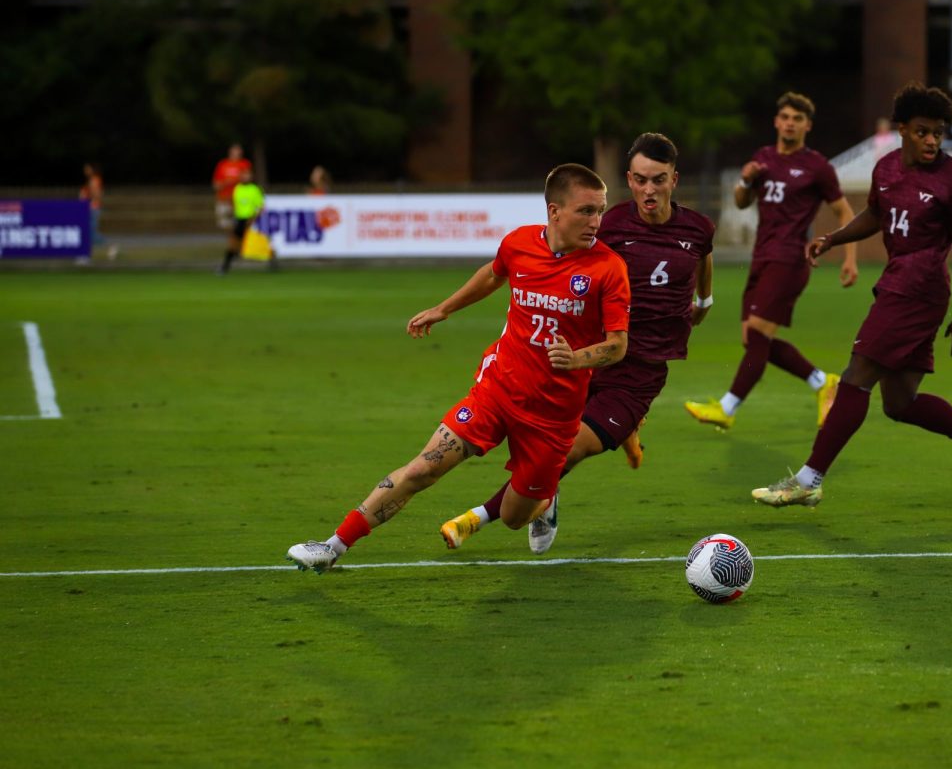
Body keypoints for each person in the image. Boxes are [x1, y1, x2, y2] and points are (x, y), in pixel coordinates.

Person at [286, 164, 632, 573]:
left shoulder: (608, 269)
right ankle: (332, 546)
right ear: (554, 211)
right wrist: (443, 308)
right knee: (424, 467)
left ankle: (546, 498)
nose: (596, 222)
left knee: (514, 516)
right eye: (586, 211)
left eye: (601, 211)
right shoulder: (519, 243)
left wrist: (575, 359)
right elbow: (493, 274)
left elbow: (618, 345)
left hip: (553, 416)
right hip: (498, 389)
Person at [750, 82, 952, 510]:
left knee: (857, 375)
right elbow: (876, 215)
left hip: (920, 291)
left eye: (938, 132)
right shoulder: (888, 168)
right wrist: (834, 239)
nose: (932, 140)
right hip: (897, 283)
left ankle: (808, 479)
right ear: (902, 129)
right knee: (899, 403)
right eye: (922, 131)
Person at [441, 133, 716, 555]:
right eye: (640, 180)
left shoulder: (698, 228)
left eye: (658, 180)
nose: (648, 189)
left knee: (567, 451)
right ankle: (549, 491)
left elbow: (703, 258)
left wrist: (704, 299)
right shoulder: (610, 224)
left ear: (674, 180)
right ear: (629, 178)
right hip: (587, 357)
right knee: (552, 448)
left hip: (641, 371)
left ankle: (480, 516)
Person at [684, 91, 857, 433]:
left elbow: (844, 210)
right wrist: (746, 179)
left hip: (790, 258)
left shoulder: (817, 166)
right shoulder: (763, 157)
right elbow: (742, 201)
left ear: (807, 125)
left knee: (758, 335)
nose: (790, 123)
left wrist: (849, 257)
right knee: (753, 339)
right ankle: (824, 382)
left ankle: (728, 407)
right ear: (777, 122)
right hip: (761, 256)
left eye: (798, 119)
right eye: (786, 117)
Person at [218, 168, 265, 274]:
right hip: (239, 219)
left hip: (251, 220)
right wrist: (232, 213)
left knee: (260, 242)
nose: (245, 177)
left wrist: (253, 218)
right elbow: (234, 202)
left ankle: (272, 264)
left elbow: (261, 206)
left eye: (247, 175)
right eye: (243, 175)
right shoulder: (237, 188)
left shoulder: (255, 189)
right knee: (233, 243)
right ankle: (225, 267)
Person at [79, 162, 118, 262]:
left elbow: (97, 194)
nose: (85, 171)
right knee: (89, 232)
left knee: (91, 232)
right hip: (91, 207)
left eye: (87, 169)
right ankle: (87, 254)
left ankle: (110, 245)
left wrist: (86, 197)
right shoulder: (93, 180)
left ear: (92, 169)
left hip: (93, 208)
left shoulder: (94, 179)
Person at [211, 143, 252, 232]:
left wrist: (234, 181)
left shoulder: (244, 164)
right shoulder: (222, 165)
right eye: (234, 150)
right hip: (224, 198)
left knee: (240, 225)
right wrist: (227, 182)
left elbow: (248, 179)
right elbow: (216, 184)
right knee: (224, 224)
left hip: (239, 201)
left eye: (238, 151)